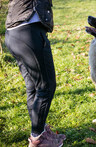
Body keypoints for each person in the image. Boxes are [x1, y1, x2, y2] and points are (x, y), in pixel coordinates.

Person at [4, 0, 66, 146]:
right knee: (46, 87)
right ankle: (38, 139)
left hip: (14, 33)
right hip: (29, 33)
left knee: (32, 87)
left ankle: (40, 131)